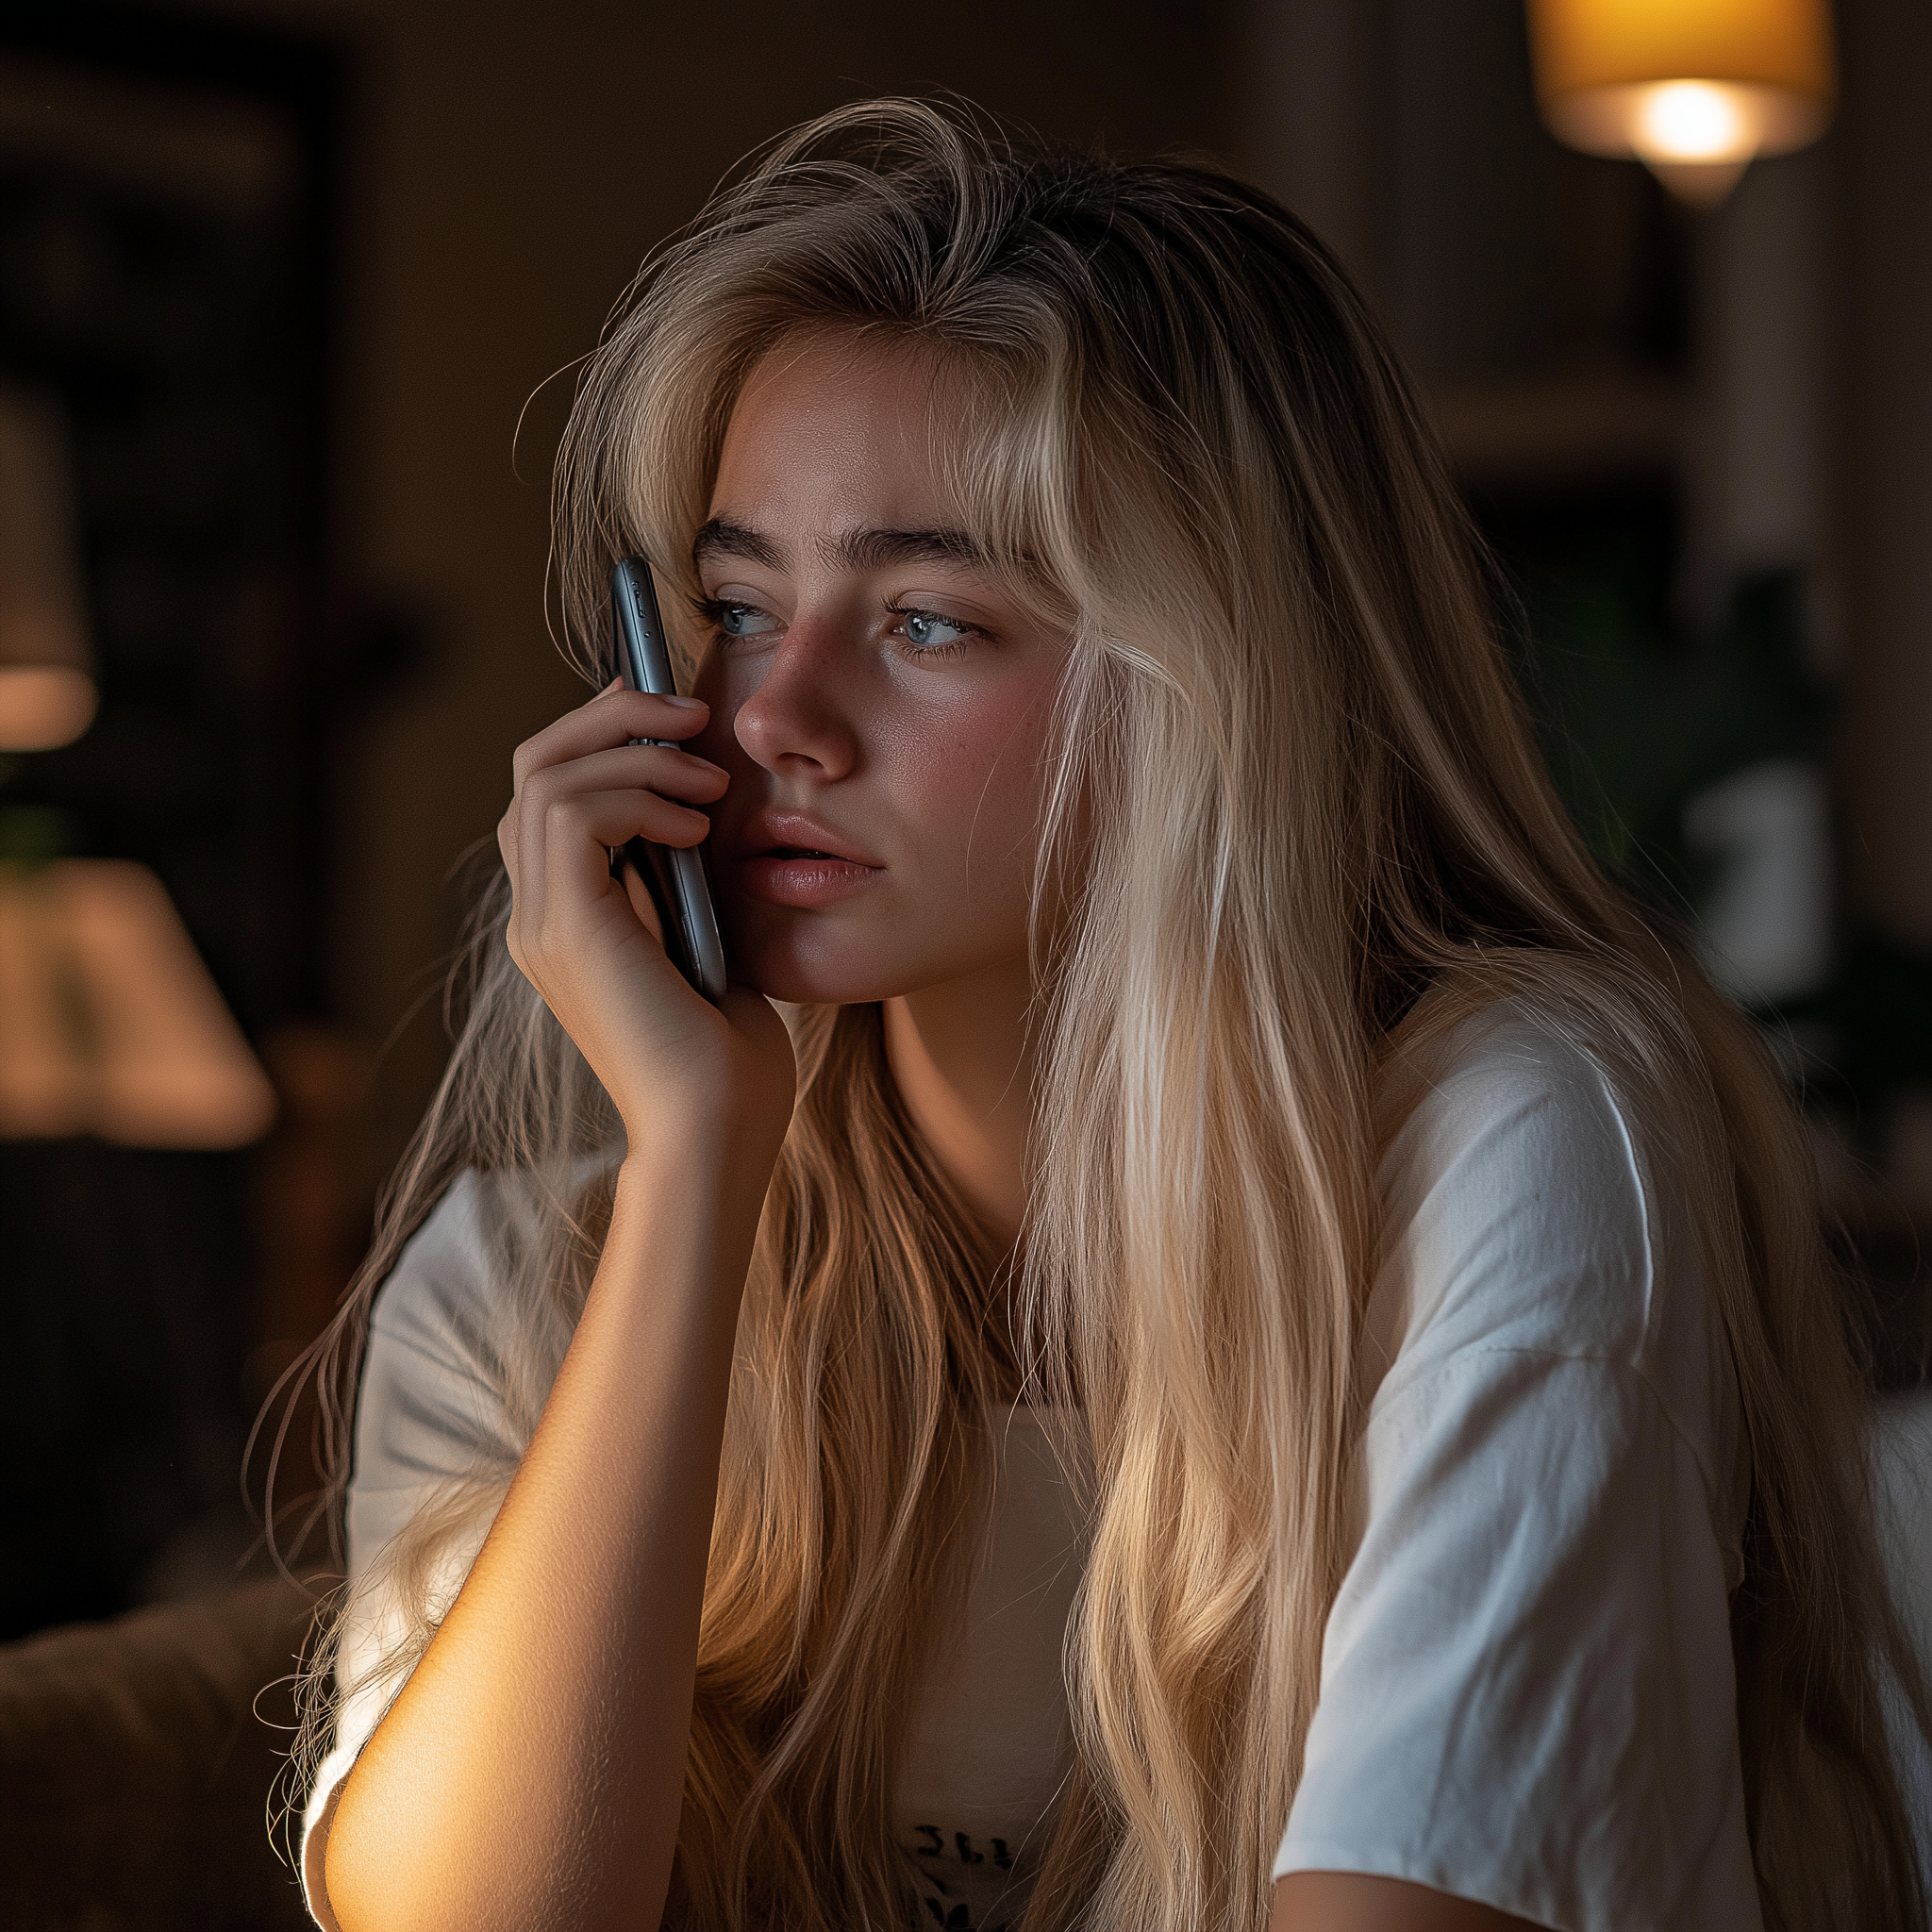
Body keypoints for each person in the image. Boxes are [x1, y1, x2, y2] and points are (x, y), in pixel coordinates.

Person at [288, 99, 1929, 1932]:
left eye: (928, 620)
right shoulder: (538, 1278)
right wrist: (693, 1167)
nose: (777, 722)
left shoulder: (1512, 1130)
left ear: (1224, 682)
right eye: (739, 605)